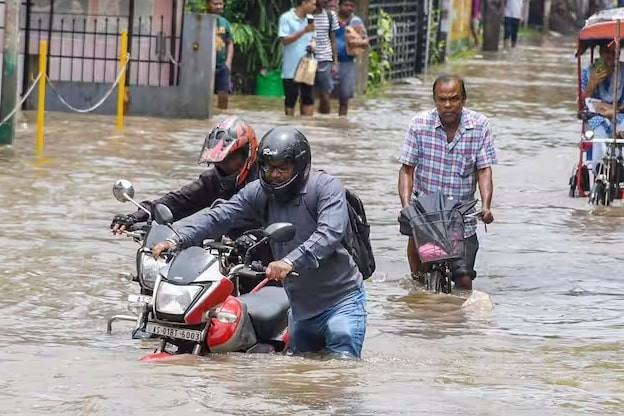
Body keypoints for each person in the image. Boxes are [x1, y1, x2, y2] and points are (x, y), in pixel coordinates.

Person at [152, 126, 367, 359]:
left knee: (342, 372)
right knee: (299, 378)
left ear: (300, 165)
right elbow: (220, 216)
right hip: (301, 308)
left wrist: (289, 261)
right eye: (268, 167)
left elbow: (329, 233)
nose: (273, 174)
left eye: (281, 168)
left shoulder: (326, 187)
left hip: (341, 302)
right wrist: (178, 238)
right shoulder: (259, 191)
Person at [397, 74, 497, 290]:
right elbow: (407, 169)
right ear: (434, 100)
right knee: (419, 282)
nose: (448, 105)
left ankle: (458, 323)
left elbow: (484, 169)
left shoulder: (479, 126)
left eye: (454, 99)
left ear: (464, 99)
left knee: (464, 281)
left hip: (461, 216)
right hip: (426, 213)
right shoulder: (419, 124)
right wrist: (406, 207)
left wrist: (486, 206)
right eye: (442, 100)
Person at [110, 116, 259, 234]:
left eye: (229, 158)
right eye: (219, 160)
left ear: (247, 153)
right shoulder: (212, 181)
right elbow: (177, 201)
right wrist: (135, 217)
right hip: (224, 253)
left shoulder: (265, 183)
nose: (223, 165)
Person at [581, 41, 624, 174]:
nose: (609, 56)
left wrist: (614, 111)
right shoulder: (589, 72)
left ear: (618, 54)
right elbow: (583, 102)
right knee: (598, 132)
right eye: (606, 52)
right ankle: (598, 167)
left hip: (620, 113)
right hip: (597, 115)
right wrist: (592, 83)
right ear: (600, 53)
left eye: (613, 53)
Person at [278, 0, 318, 116]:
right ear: (304, 3)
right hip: (291, 68)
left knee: (308, 99)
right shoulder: (286, 18)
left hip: (307, 66)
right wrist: (303, 31)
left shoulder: (310, 19)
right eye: (313, 4)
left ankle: (307, 128)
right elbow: (284, 40)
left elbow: (313, 37)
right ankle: (289, 127)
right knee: (291, 100)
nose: (315, 7)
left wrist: (313, 44)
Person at [334, 0, 368, 116]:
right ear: (339, 6)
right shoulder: (331, 20)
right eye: (346, 5)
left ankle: (342, 121)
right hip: (327, 62)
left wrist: (356, 40)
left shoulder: (356, 22)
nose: (349, 8)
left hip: (347, 62)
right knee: (323, 95)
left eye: (352, 6)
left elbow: (365, 41)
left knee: (345, 96)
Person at [313, 0, 339, 114]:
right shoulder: (306, 15)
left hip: (325, 58)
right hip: (307, 59)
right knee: (307, 95)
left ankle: (325, 122)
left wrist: (335, 62)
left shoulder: (330, 15)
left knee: (325, 94)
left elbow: (333, 40)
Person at [206, 0, 233, 109]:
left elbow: (230, 43)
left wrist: (228, 62)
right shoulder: (201, 20)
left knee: (224, 97)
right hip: (205, 65)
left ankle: (221, 120)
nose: (218, 6)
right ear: (208, 4)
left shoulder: (224, 22)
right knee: (204, 97)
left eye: (220, 4)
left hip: (222, 65)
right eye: (215, 3)